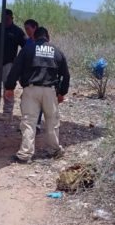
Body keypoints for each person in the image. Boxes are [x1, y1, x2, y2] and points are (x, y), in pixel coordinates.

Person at [4, 26, 70, 164]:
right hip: (50, 91)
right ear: (48, 37)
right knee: (52, 121)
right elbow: (66, 75)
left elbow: (15, 69)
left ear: (34, 37)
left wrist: (9, 87)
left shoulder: (27, 49)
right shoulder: (57, 51)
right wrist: (62, 92)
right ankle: (54, 150)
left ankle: (25, 154)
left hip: (31, 90)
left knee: (29, 122)